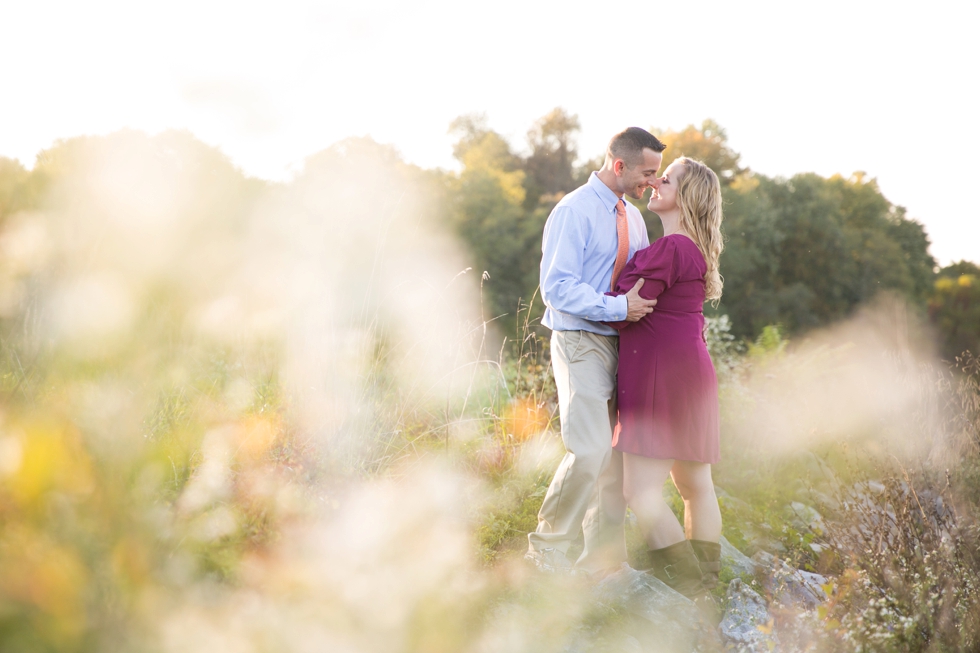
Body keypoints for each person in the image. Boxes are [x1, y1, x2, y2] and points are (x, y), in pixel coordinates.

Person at [527, 127, 663, 575]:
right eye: (647, 173)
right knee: (589, 450)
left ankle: (604, 560)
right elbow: (557, 289)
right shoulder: (574, 210)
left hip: (624, 345)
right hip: (580, 341)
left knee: (614, 459)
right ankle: (545, 548)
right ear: (619, 165)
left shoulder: (636, 218)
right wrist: (619, 306)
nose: (652, 183)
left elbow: (641, 280)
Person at [608, 157, 724, 601]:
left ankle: (691, 588)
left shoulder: (671, 249)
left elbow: (625, 307)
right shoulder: (691, 250)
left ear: (686, 196)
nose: (655, 181)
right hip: (692, 374)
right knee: (695, 487)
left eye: (666, 178)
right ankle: (708, 586)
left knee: (639, 490)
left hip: (661, 374)